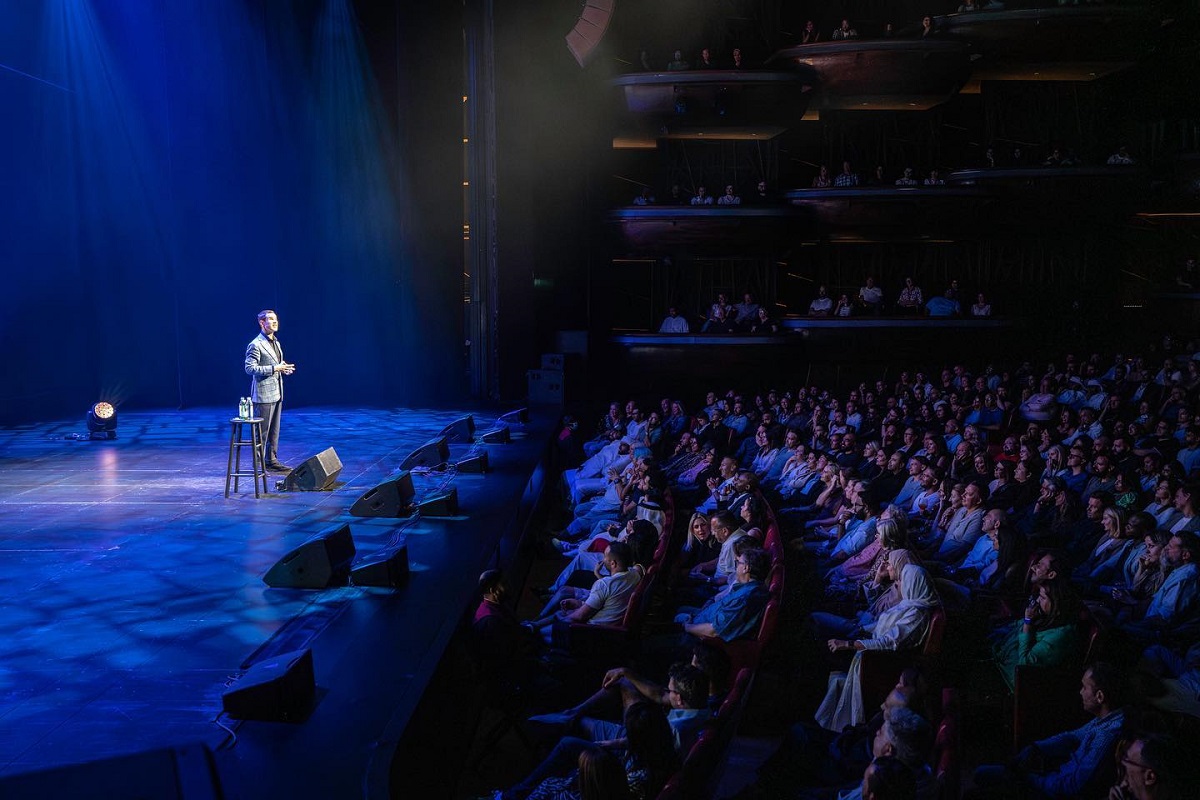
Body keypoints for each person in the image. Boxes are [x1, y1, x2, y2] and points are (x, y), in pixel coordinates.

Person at [970, 662, 1126, 798]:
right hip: (1052, 779)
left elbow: (1074, 786)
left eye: (1085, 687)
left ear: (1099, 696)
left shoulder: (1107, 734)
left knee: (980, 780)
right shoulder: (1105, 719)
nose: (1080, 692)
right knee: (982, 774)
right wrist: (1036, 747)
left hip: (1052, 790)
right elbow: (1071, 737)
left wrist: (1029, 778)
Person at [244, 309, 295, 471]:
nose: (275, 322)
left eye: (276, 320)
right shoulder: (255, 344)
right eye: (271, 320)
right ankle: (258, 464)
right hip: (263, 395)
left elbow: (276, 365)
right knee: (262, 432)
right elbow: (249, 368)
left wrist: (283, 369)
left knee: (274, 431)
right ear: (262, 323)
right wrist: (274, 368)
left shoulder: (276, 342)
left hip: (277, 392)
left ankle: (271, 460)